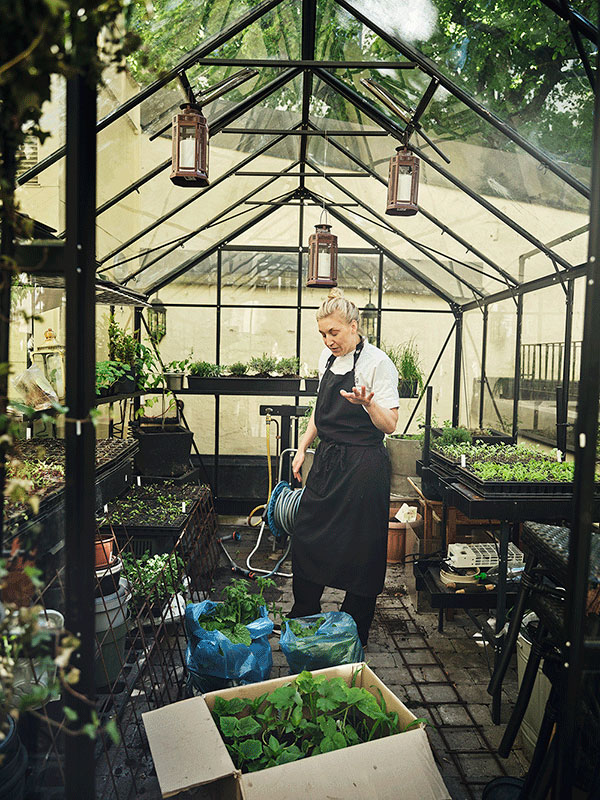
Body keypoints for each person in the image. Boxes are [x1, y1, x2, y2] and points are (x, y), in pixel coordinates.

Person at [290, 288, 400, 647]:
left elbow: (390, 425)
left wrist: (369, 405)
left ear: (354, 327)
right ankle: (303, 614)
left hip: (363, 467)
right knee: (308, 532)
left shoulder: (378, 363)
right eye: (323, 333)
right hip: (329, 460)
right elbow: (319, 414)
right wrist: (303, 448)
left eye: (334, 332)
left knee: (362, 546)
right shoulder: (326, 358)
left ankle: (353, 629)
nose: (328, 340)